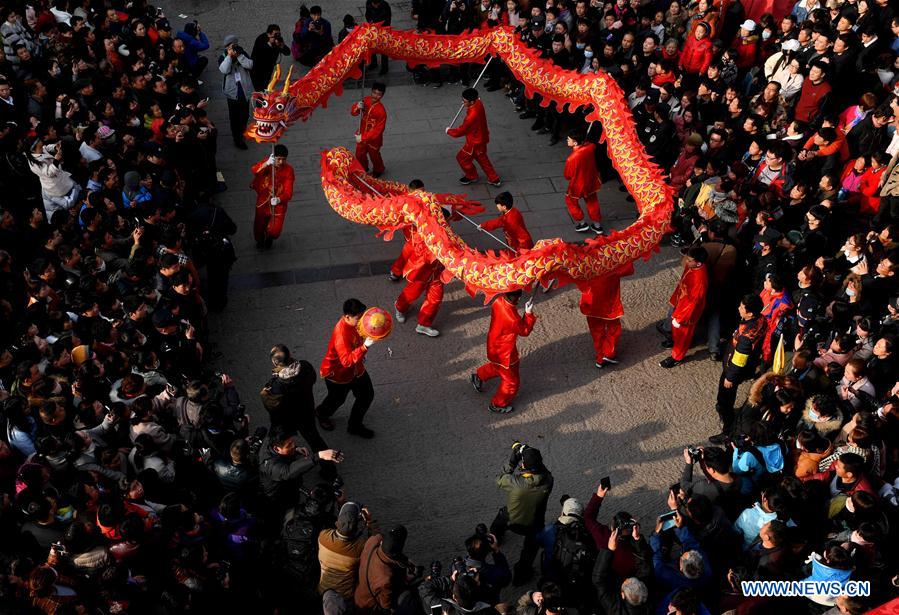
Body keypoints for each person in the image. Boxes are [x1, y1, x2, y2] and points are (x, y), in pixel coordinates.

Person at [490, 443, 554, 585]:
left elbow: (499, 478)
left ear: (524, 465)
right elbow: (545, 472)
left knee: (502, 515)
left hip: (512, 521)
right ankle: (521, 575)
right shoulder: (549, 481)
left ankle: (494, 538)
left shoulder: (515, 482)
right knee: (530, 549)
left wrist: (513, 461)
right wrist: (531, 458)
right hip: (534, 525)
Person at [316, 298, 378, 438]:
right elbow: (346, 361)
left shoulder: (354, 324)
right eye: (359, 318)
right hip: (338, 374)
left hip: (356, 369)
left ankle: (355, 425)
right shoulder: (341, 334)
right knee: (336, 400)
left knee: (366, 395)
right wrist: (364, 347)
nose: (362, 321)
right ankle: (321, 413)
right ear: (347, 317)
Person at [470, 290, 537, 414]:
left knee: (497, 368)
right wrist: (528, 314)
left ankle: (479, 376)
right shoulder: (512, 318)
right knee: (511, 382)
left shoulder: (498, 301)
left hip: (494, 346)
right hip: (506, 353)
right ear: (516, 297)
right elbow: (524, 331)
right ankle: (497, 404)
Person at [715, 294, 767, 434]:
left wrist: (730, 377)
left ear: (750, 313)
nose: (739, 308)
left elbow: (739, 361)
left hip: (733, 370)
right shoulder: (761, 319)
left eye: (742, 307)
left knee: (725, 397)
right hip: (750, 364)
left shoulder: (745, 338)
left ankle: (727, 427)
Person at [393, 208, 447, 338]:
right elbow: (409, 250)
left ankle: (424, 324)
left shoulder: (446, 232)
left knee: (435, 299)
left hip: (437, 273)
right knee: (411, 295)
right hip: (421, 273)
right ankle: (399, 308)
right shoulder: (422, 235)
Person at [660, 246, 709, 368]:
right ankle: (674, 341)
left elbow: (694, 303)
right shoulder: (692, 266)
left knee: (683, 335)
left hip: (687, 313)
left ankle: (677, 357)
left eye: (689, 260)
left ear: (698, 263)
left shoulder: (700, 280)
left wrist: (681, 318)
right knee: (677, 332)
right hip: (680, 302)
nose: (686, 261)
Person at [579, 262, 635, 368]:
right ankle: (609, 353)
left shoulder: (583, 258)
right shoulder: (612, 256)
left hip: (590, 302)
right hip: (609, 303)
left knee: (596, 331)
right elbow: (629, 269)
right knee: (614, 328)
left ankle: (600, 356)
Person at [446, 88, 503, 187]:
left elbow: (462, 130)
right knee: (482, 158)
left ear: (471, 101)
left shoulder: (472, 116)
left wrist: (449, 131)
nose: (463, 103)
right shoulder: (478, 103)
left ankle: (472, 176)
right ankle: (494, 178)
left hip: (473, 142)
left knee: (462, 158)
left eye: (464, 101)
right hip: (482, 138)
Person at [250, 144, 295, 250]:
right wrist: (266, 164)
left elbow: (288, 192)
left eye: (283, 159)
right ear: (274, 157)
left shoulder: (289, 170)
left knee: (275, 231)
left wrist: (279, 199)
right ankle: (260, 240)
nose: (280, 162)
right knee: (259, 225)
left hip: (278, 205)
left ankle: (269, 237)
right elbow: (255, 170)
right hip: (263, 200)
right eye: (278, 159)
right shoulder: (268, 162)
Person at [564, 128, 604, 234]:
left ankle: (582, 223)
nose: (567, 141)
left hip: (577, 185)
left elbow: (568, 175)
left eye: (569, 139)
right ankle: (597, 225)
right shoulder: (590, 147)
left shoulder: (571, 159)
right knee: (592, 201)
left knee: (571, 201)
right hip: (591, 181)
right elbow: (591, 144)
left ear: (575, 142)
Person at [219, 35, 254, 150]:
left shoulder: (242, 53)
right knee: (234, 118)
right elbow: (224, 70)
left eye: (234, 46)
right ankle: (237, 139)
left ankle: (242, 133)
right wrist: (229, 56)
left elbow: (250, 65)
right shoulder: (223, 56)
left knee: (244, 116)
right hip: (232, 93)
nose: (233, 48)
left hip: (244, 92)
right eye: (230, 47)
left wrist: (239, 56)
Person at [351, 82, 387, 177]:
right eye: (374, 92)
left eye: (378, 94)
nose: (375, 96)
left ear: (382, 95)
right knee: (359, 155)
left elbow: (378, 130)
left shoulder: (381, 111)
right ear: (371, 91)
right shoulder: (365, 100)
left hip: (373, 140)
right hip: (361, 134)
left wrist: (363, 137)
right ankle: (363, 168)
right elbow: (354, 113)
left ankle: (379, 170)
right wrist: (357, 107)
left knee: (374, 156)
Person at [250, 24, 291, 91]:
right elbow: (261, 54)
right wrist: (270, 44)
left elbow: (288, 52)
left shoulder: (277, 41)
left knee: (265, 88)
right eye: (275, 34)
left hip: (268, 70)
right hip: (257, 70)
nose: (277, 36)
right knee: (260, 90)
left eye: (279, 34)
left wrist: (282, 46)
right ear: (269, 34)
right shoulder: (261, 39)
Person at [364, 0, 392, 74]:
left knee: (384, 49)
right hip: (373, 29)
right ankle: (374, 63)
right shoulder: (369, 3)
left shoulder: (385, 6)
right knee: (372, 46)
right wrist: (370, 22)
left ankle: (384, 67)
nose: (375, 6)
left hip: (383, 29)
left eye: (377, 5)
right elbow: (367, 14)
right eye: (374, 4)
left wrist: (380, 27)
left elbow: (388, 19)